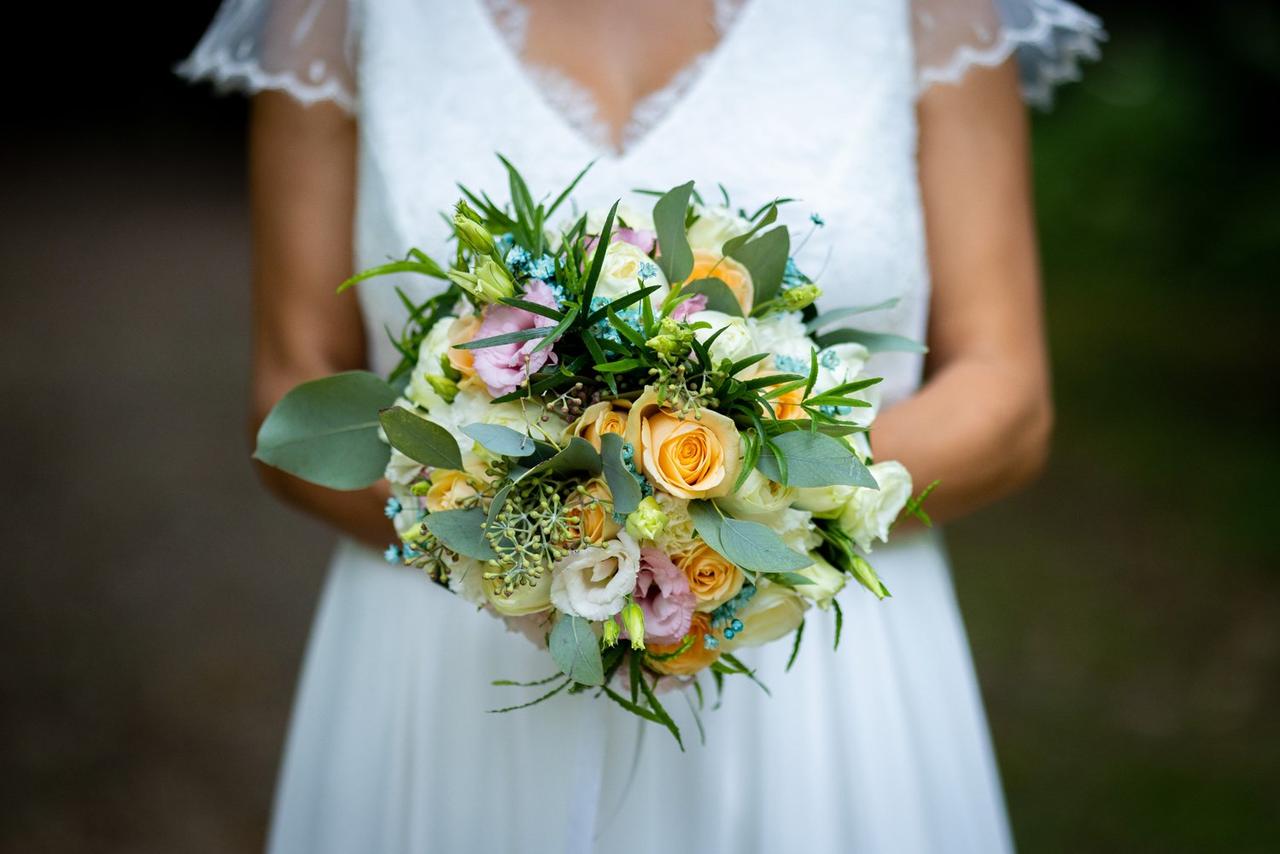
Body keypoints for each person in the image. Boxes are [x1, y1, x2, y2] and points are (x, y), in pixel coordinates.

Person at [179, 1, 1102, 851]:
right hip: (448, 662)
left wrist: (743, 524)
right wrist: (521, 542)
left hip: (817, 681)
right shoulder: (335, 12)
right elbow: (292, 390)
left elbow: (1007, 394)